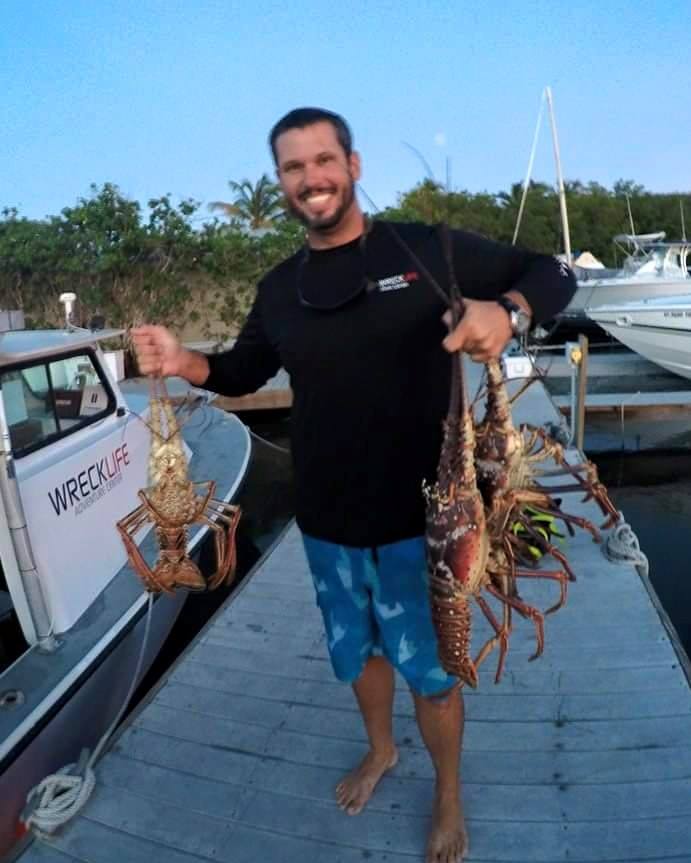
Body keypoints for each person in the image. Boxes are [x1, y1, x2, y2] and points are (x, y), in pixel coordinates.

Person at [132, 107, 576, 863]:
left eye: (322, 160)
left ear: (353, 165)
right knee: (358, 654)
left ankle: (447, 792)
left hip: (427, 526)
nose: (311, 178)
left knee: (432, 674)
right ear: (280, 182)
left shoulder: (423, 249)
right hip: (327, 522)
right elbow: (241, 371)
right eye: (292, 167)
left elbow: (554, 272)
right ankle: (380, 749)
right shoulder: (281, 288)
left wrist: (508, 312)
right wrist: (183, 361)